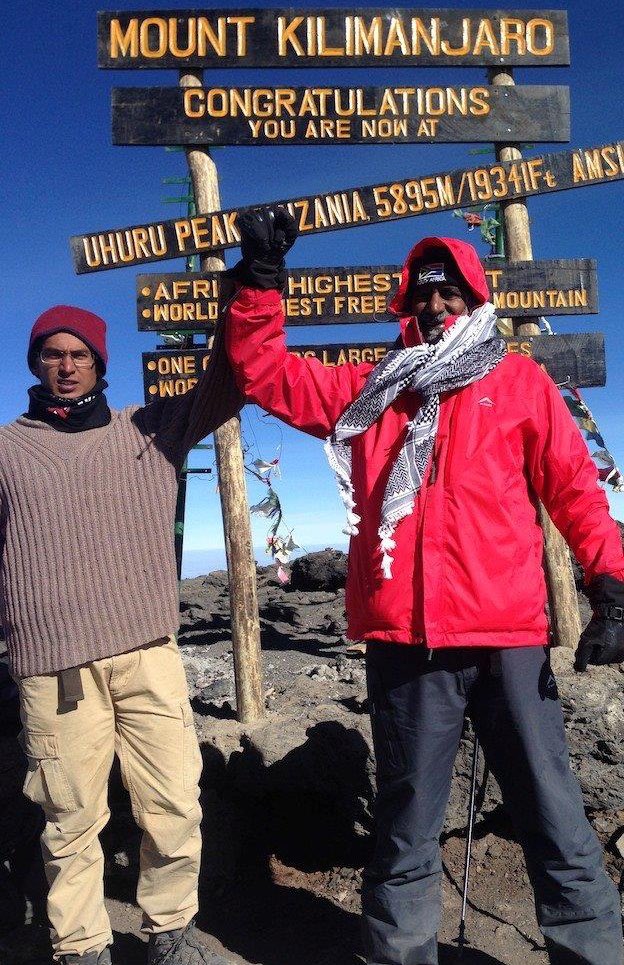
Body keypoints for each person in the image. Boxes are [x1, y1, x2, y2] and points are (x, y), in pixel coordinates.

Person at [224, 208, 624, 965]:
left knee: (555, 816)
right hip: (408, 648)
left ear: (475, 302)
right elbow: (266, 375)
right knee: (406, 826)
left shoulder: (520, 382)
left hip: (509, 638)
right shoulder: (377, 389)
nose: (436, 308)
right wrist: (260, 283)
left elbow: (576, 489)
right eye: (423, 297)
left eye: (451, 296)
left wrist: (614, 581)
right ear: (405, 307)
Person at [0, 305, 242, 965]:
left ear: (101, 364)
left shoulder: (152, 427)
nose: (67, 365)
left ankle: (170, 931)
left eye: (80, 354)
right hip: (55, 670)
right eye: (53, 353)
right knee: (69, 819)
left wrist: (255, 282)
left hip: (147, 654)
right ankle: (80, 946)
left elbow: (231, 379)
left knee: (173, 803)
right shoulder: (5, 448)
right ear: (36, 363)